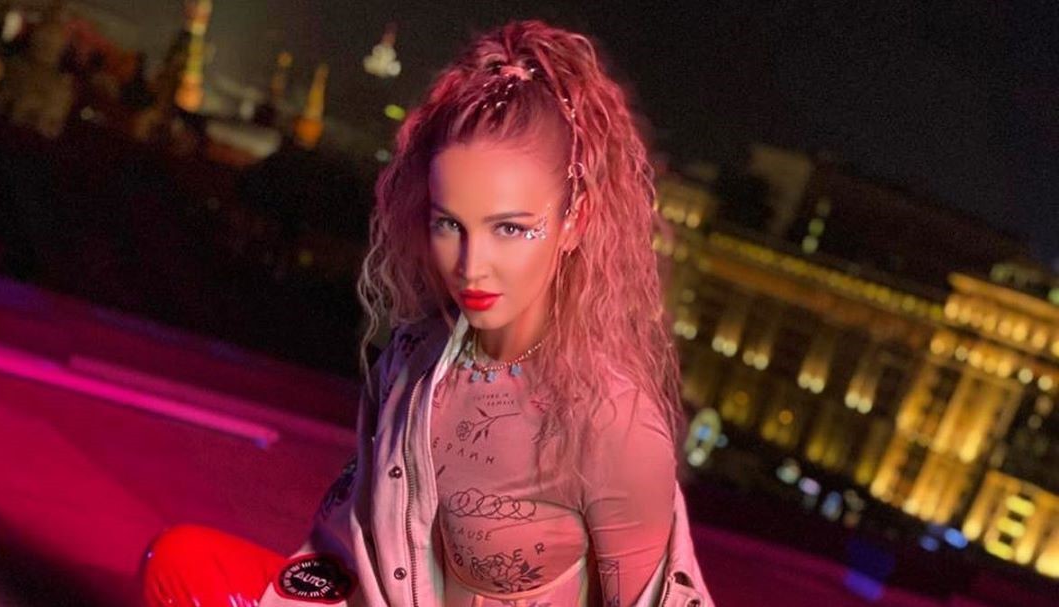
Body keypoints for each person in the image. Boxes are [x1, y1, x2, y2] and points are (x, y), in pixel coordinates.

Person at [139, 20, 715, 607]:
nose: (471, 266)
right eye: (449, 225)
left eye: (510, 229)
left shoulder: (614, 421)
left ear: (575, 221)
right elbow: (343, 551)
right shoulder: (416, 357)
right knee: (182, 562)